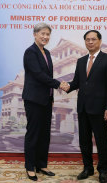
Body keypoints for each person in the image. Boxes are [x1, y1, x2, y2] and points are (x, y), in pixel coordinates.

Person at [62, 30, 107, 183]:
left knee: (101, 141)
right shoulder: (80, 61)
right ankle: (87, 168)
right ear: (85, 42)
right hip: (83, 108)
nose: (90, 42)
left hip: (100, 108)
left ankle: (103, 170)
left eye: (93, 39)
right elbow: (77, 82)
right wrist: (67, 86)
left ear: (99, 41)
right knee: (84, 140)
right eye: (87, 39)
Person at [22, 22, 67, 181]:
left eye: (48, 34)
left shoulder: (47, 53)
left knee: (45, 134)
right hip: (33, 100)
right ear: (35, 34)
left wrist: (52, 98)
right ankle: (30, 167)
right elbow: (38, 75)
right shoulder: (30, 52)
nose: (45, 37)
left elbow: (47, 76)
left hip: (46, 100)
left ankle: (41, 164)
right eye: (42, 34)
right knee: (33, 133)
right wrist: (59, 84)